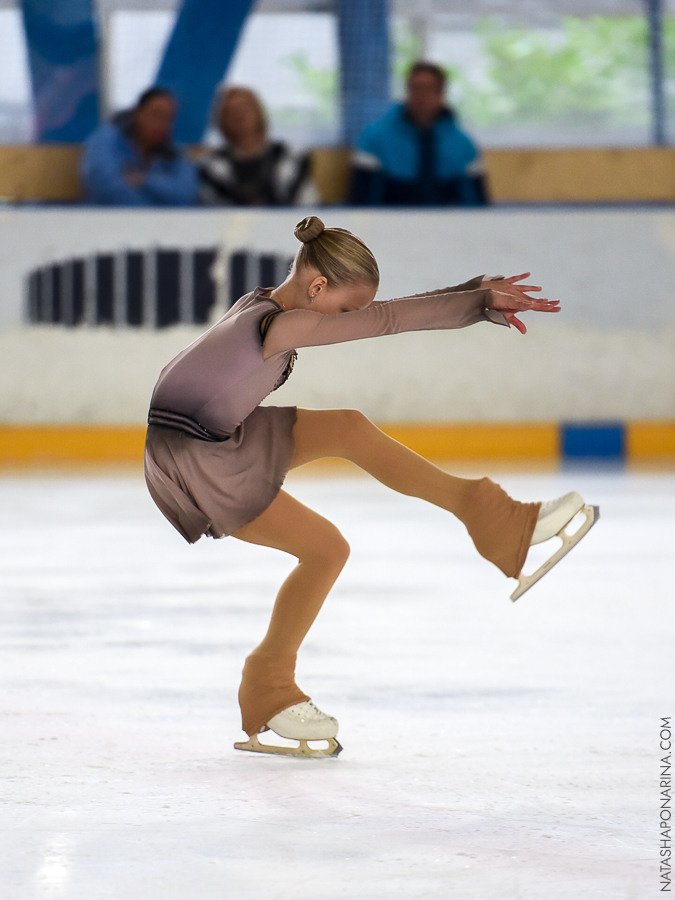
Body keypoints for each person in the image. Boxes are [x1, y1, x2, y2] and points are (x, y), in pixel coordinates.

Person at [144, 215, 598, 758]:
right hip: (197, 458)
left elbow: (386, 312)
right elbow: (389, 321)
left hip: (210, 434)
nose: (349, 321)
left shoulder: (262, 302)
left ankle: (491, 518)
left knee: (348, 427)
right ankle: (267, 683)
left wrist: (472, 293)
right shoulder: (284, 327)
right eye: (344, 310)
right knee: (326, 550)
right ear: (317, 288)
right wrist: (474, 305)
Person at [349, 61, 489, 207]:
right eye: (416, 88)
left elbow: (478, 206)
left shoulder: (464, 146)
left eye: (429, 89)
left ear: (441, 94)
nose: (421, 96)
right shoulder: (373, 140)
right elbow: (362, 202)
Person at [197, 86, 318, 206]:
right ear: (221, 120)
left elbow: (308, 204)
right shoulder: (211, 167)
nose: (239, 115)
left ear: (259, 112)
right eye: (231, 111)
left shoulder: (292, 157)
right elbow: (212, 210)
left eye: (245, 108)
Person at [80, 87, 199, 206]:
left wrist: (145, 180)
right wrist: (157, 206)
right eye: (155, 114)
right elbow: (107, 189)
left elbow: (186, 194)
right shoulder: (106, 140)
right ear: (136, 114)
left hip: (163, 223)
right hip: (108, 222)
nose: (161, 123)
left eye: (169, 118)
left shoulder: (174, 153)